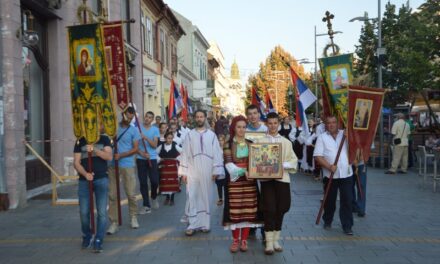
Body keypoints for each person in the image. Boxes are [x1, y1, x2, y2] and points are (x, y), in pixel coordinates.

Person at [256, 112, 297, 255]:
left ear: (278, 125)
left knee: (282, 208)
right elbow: (256, 161)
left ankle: (276, 240)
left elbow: (294, 161)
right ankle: (268, 242)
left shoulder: (286, 142)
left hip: (282, 179)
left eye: (275, 123)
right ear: (267, 124)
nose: (273, 126)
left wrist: (283, 165)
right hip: (267, 181)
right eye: (270, 123)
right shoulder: (260, 142)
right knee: (269, 209)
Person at [178, 110, 224, 236]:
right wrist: (184, 172)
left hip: (208, 170)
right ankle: (192, 224)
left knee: (206, 197)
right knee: (192, 196)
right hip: (193, 169)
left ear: (205, 118)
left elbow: (217, 153)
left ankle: (205, 224)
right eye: (197, 117)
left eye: (201, 116)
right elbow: (185, 154)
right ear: (194, 119)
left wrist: (216, 170)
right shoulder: (189, 135)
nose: (199, 119)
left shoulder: (212, 135)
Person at [223, 116, 263, 253]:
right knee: (235, 211)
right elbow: (228, 164)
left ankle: (244, 240)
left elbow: (257, 162)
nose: (241, 129)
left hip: (250, 182)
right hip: (235, 182)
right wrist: (243, 171)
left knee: (248, 210)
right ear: (234, 128)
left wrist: (255, 171)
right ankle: (235, 240)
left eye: (244, 127)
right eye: (239, 127)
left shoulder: (251, 143)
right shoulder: (228, 144)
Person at [314, 115, 354, 236]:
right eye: (329, 123)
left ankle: (347, 226)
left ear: (338, 123)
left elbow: (356, 148)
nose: (331, 125)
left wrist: (351, 138)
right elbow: (318, 156)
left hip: (347, 173)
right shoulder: (322, 137)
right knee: (329, 200)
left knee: (347, 200)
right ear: (325, 125)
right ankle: (328, 220)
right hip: (330, 175)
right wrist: (329, 166)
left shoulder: (346, 134)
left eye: (334, 122)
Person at [73, 132, 112, 253]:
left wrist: (94, 149)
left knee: (101, 212)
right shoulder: (80, 141)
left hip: (101, 179)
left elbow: (108, 157)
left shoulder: (105, 139)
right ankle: (87, 236)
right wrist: (85, 174)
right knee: (84, 211)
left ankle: (99, 239)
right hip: (84, 180)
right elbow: (76, 162)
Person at [107, 109, 141, 235]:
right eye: (128, 116)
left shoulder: (134, 130)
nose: (129, 119)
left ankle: (133, 217)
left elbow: (136, 148)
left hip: (127, 164)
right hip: (112, 165)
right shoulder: (113, 129)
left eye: (131, 117)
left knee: (131, 193)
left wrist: (121, 155)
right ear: (123, 114)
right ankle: (114, 222)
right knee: (112, 194)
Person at [137, 111, 160, 214]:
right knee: (143, 182)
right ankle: (146, 205)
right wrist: (142, 153)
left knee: (154, 181)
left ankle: (154, 197)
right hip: (141, 158)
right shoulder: (138, 129)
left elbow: (154, 145)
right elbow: (135, 146)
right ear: (144, 117)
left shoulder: (155, 130)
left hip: (152, 158)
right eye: (146, 116)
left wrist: (145, 137)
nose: (147, 119)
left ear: (152, 120)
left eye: (150, 117)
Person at [157, 131, 182, 206]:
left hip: (173, 167)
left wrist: (177, 158)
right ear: (165, 138)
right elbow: (155, 153)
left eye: (171, 138)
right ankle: (167, 197)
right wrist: (159, 159)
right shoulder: (161, 146)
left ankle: (172, 199)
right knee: (165, 182)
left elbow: (183, 152)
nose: (170, 140)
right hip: (164, 167)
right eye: (168, 138)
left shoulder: (175, 145)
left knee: (172, 182)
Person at [352, 153, 367, 218]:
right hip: (349, 163)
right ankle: (353, 206)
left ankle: (361, 208)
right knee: (349, 185)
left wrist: (360, 158)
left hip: (361, 163)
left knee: (361, 185)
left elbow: (368, 149)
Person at [215, 134, 227, 206]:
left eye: (222, 140)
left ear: (224, 141)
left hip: (225, 167)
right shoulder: (216, 149)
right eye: (219, 140)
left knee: (225, 184)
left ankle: (226, 198)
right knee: (219, 185)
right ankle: (220, 198)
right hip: (218, 168)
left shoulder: (226, 148)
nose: (220, 142)